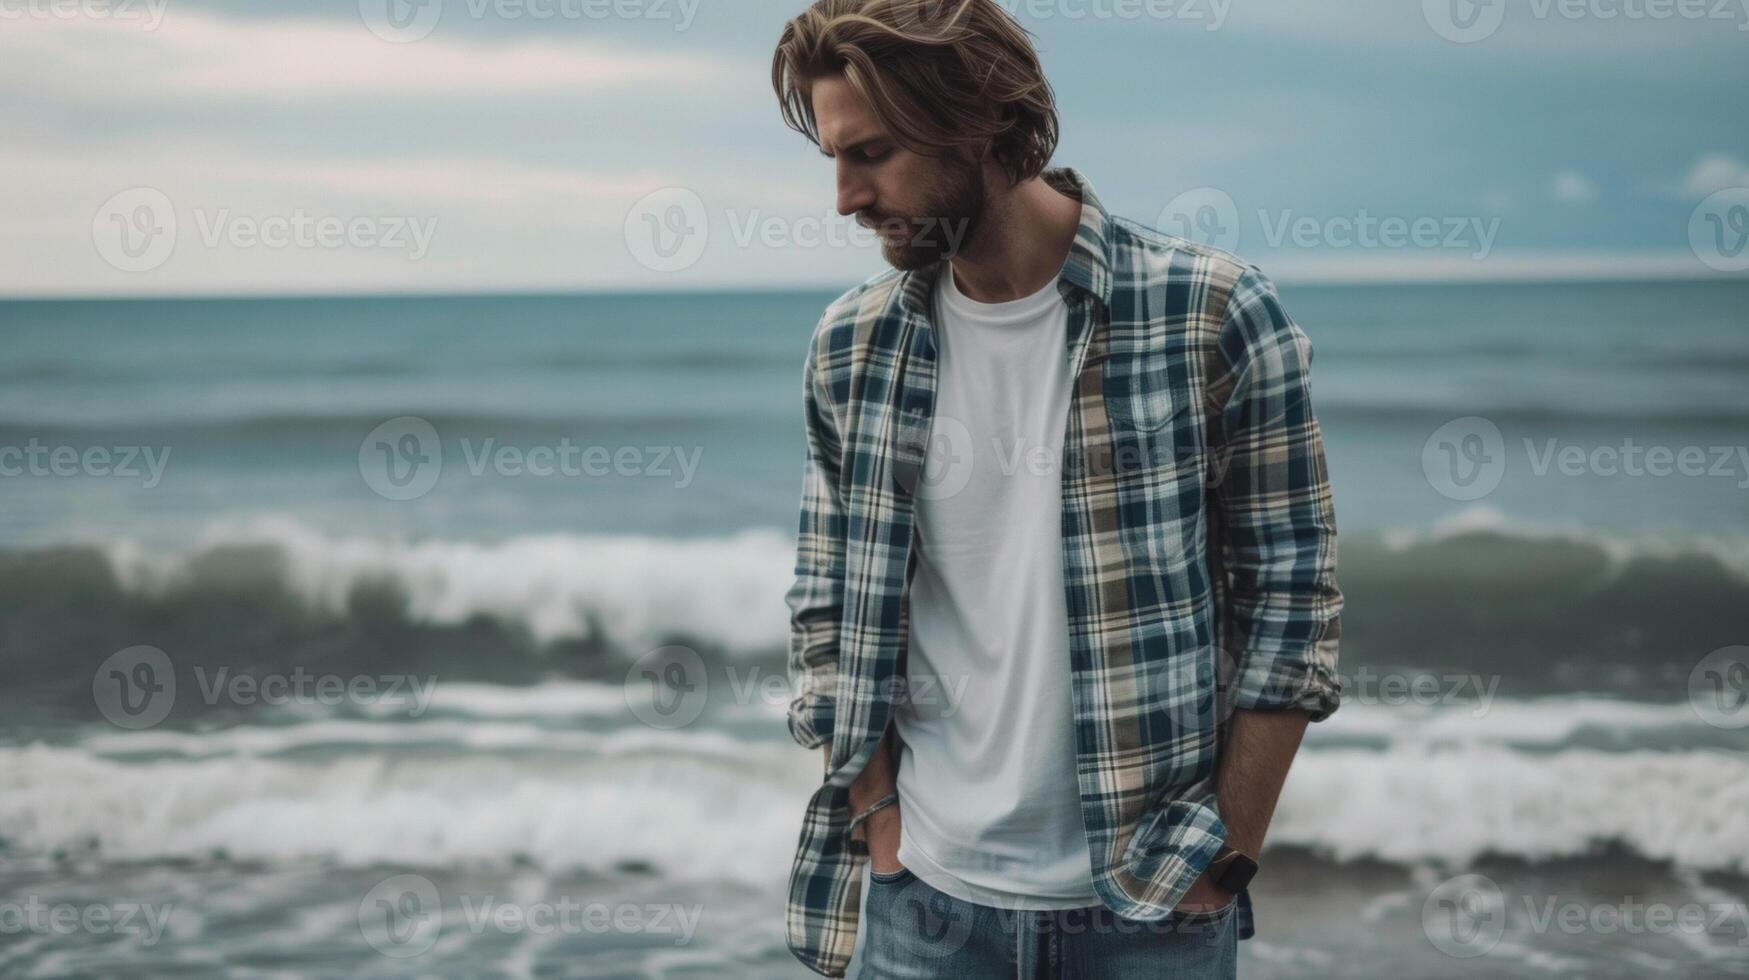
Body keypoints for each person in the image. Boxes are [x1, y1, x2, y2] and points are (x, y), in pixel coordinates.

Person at [771, 2, 1343, 976]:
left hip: (1151, 908)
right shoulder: (854, 348)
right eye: (833, 157)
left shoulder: (1210, 315)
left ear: (977, 121)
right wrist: (879, 824)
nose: (845, 197)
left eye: (870, 154)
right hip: (925, 908)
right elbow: (826, 607)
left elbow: (1293, 597)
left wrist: (1229, 847)